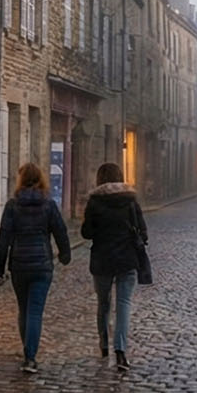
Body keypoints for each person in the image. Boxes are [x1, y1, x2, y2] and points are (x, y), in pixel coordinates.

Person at [0, 160, 72, 375]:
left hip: (19, 264)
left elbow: (3, 240)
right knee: (35, 311)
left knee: (24, 308)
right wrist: (65, 254)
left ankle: (28, 348)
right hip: (42, 264)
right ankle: (30, 356)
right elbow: (60, 231)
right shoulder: (48, 204)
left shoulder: (13, 205)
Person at [79, 160, 152, 374]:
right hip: (127, 259)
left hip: (102, 260)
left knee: (103, 303)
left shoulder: (95, 202)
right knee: (123, 305)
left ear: (99, 179)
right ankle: (120, 351)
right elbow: (143, 231)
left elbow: (86, 233)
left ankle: (103, 345)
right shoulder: (130, 200)